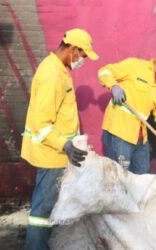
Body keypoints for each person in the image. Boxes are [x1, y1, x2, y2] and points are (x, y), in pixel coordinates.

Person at [21, 28, 98, 250]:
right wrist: (64, 144)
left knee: (47, 208)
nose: (83, 60)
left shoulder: (59, 69)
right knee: (42, 212)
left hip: (57, 153)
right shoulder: (51, 75)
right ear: (73, 49)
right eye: (83, 56)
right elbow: (42, 123)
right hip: (51, 155)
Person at [97, 47, 156, 174]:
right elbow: (104, 71)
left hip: (141, 138)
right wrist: (113, 86)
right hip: (119, 133)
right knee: (118, 178)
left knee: (143, 178)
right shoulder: (135, 66)